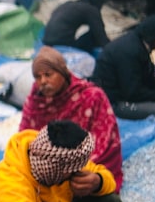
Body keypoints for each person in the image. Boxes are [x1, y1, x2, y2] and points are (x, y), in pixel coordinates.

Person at [20, 46, 123, 190]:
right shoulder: (35, 103)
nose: (43, 81)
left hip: (81, 171)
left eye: (48, 74)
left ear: (63, 72)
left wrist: (94, 178)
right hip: (44, 174)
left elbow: (104, 143)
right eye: (38, 77)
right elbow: (24, 141)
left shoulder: (92, 97)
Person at [91, 14, 155, 120]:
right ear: (154, 36)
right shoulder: (129, 51)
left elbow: (147, 79)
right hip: (114, 102)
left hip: (128, 92)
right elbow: (133, 93)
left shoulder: (138, 44)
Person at [42, 0, 111, 54]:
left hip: (46, 42)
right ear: (99, 0)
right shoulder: (91, 9)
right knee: (93, 36)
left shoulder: (68, 4)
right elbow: (101, 36)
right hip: (63, 45)